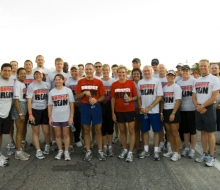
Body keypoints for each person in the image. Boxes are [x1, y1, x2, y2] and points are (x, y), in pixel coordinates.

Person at [75, 63, 106, 161]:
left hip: (96, 107)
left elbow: (103, 96)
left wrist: (97, 100)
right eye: (86, 69)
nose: (88, 71)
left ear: (93, 70)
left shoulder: (98, 82)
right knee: (86, 130)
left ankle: (100, 151)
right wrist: (83, 93)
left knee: (98, 130)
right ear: (84, 70)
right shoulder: (81, 82)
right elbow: (77, 96)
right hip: (85, 107)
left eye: (90, 69)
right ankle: (88, 151)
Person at [193, 59, 219, 167]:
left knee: (210, 133)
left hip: (208, 108)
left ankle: (211, 156)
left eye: (205, 66)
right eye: (201, 66)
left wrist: (202, 106)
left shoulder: (214, 79)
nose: (203, 68)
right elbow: (193, 96)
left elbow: (214, 97)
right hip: (199, 108)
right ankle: (204, 153)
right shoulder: (197, 80)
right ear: (199, 67)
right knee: (202, 132)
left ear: (208, 67)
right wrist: (197, 106)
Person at [110, 65, 137, 162]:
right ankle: (124, 149)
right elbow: (113, 99)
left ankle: (130, 152)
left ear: (126, 73)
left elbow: (136, 97)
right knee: (122, 131)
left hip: (130, 110)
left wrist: (131, 99)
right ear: (117, 73)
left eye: (123, 72)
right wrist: (113, 112)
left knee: (131, 131)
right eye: (119, 72)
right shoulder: (114, 84)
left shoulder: (131, 83)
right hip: (119, 110)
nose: (121, 74)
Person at [137, 66, 163, 161]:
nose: (146, 72)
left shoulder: (157, 81)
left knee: (156, 131)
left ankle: (156, 151)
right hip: (143, 112)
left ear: (151, 71)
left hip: (154, 111)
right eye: (145, 71)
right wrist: (141, 108)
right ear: (143, 72)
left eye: (148, 70)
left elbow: (159, 96)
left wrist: (150, 107)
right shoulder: (140, 82)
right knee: (144, 131)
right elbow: (139, 97)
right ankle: (146, 149)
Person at [48, 74, 74, 161]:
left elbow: (71, 104)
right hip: (56, 117)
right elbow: (50, 106)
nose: (58, 81)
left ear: (63, 80)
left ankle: (66, 151)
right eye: (56, 80)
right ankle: (60, 151)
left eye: (59, 79)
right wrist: (50, 117)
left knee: (66, 135)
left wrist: (71, 117)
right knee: (58, 135)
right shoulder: (52, 92)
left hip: (66, 117)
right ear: (54, 81)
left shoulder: (68, 90)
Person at [26, 68, 50, 159]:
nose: (38, 76)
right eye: (36, 74)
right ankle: (38, 150)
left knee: (46, 131)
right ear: (34, 76)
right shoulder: (31, 86)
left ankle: (47, 145)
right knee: (36, 131)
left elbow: (48, 98)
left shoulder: (46, 85)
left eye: (39, 74)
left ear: (43, 75)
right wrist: (30, 114)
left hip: (45, 109)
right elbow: (29, 101)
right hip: (35, 109)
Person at [46, 58, 69, 151]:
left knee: (65, 123)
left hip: (64, 100)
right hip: (54, 99)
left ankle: (64, 142)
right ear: (55, 64)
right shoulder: (50, 75)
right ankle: (54, 141)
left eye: (61, 64)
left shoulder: (67, 75)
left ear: (63, 65)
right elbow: (47, 87)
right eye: (58, 64)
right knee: (54, 123)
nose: (59, 65)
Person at [161, 70, 182, 161]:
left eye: (172, 75)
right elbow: (162, 101)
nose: (170, 77)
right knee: (168, 133)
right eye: (168, 75)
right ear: (166, 76)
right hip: (165, 110)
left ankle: (177, 153)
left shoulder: (176, 87)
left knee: (175, 133)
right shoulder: (164, 88)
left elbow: (178, 101)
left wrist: (173, 113)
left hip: (173, 111)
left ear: (175, 76)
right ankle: (172, 150)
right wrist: (161, 113)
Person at [177, 65, 197, 159]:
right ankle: (186, 147)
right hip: (182, 109)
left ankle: (192, 149)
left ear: (189, 71)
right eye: (183, 71)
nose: (185, 72)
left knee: (193, 130)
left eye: (186, 71)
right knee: (185, 130)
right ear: (181, 71)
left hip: (192, 109)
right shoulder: (179, 83)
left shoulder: (194, 81)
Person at [12, 68, 30, 160]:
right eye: (21, 73)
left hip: (24, 106)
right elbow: (15, 100)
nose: (23, 75)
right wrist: (20, 113)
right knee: (19, 131)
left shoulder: (22, 83)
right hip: (19, 107)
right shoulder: (17, 84)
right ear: (17, 75)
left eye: (24, 73)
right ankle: (18, 152)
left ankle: (20, 150)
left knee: (22, 130)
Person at [65, 65, 83, 150]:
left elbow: (84, 93)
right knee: (71, 123)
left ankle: (77, 138)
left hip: (80, 105)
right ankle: (71, 141)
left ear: (79, 71)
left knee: (79, 123)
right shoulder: (68, 82)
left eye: (76, 71)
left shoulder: (82, 80)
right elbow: (65, 94)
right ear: (70, 72)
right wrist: (71, 103)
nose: (74, 72)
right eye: (72, 71)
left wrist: (80, 102)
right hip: (70, 105)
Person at [0, 63, 13, 167]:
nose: (7, 72)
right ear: (1, 71)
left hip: (6, 113)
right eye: (5, 70)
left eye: (9, 70)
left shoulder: (12, 81)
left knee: (1, 135)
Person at [101, 64, 115, 157]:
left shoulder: (113, 81)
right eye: (104, 70)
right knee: (103, 127)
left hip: (110, 105)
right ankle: (104, 146)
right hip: (101, 105)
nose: (105, 72)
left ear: (109, 71)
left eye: (107, 70)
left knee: (110, 126)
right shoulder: (99, 81)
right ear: (102, 71)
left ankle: (110, 146)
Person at [131, 68, 142, 153]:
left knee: (143, 128)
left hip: (143, 108)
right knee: (135, 128)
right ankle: (136, 145)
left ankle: (142, 145)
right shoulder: (130, 83)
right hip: (133, 108)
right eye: (134, 74)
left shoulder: (143, 83)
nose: (136, 75)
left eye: (137, 73)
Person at [157, 64, 167, 152]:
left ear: (165, 69)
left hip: (168, 104)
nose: (161, 70)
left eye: (162, 68)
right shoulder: (156, 79)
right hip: (158, 104)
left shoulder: (169, 78)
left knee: (167, 126)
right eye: (159, 68)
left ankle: (169, 143)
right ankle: (161, 142)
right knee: (160, 125)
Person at [8, 61, 18, 149]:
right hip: (9, 103)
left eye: (15, 65)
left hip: (18, 102)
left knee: (20, 123)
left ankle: (22, 140)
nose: (14, 66)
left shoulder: (19, 76)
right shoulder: (8, 76)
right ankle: (11, 140)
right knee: (11, 123)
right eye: (12, 65)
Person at [210, 64, 220, 145]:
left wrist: (218, 105)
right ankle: (213, 145)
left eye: (215, 68)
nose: (214, 69)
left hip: (219, 107)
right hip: (210, 107)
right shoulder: (209, 80)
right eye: (212, 68)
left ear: (219, 70)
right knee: (211, 128)